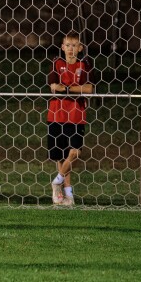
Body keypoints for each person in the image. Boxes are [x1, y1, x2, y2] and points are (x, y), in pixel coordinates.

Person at [47, 31, 94, 206]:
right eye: (68, 45)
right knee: (60, 155)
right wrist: (76, 88)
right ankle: (67, 195)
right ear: (62, 47)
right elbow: (54, 87)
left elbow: (89, 89)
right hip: (56, 113)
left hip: (77, 114)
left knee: (75, 152)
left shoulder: (85, 64)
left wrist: (66, 89)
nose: (71, 49)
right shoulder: (56, 63)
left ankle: (56, 181)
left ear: (80, 48)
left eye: (74, 45)